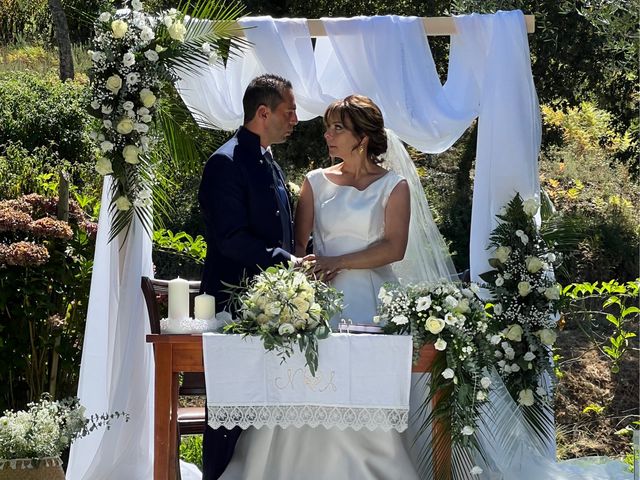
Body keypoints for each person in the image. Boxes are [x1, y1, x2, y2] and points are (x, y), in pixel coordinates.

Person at [218, 95, 421, 480]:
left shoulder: (394, 187)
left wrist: (339, 262)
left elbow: (394, 247)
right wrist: (295, 294)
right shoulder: (314, 183)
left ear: (362, 137)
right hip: (319, 303)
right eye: (327, 127)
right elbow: (298, 248)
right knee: (304, 387)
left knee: (363, 393)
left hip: (371, 304)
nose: (327, 135)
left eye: (337, 128)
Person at [199, 74, 304, 480]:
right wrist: (285, 260)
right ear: (263, 113)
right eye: (289, 111)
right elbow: (229, 239)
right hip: (233, 306)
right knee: (228, 412)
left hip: (271, 308)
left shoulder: (267, 158)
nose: (295, 118)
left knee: (261, 410)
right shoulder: (225, 163)